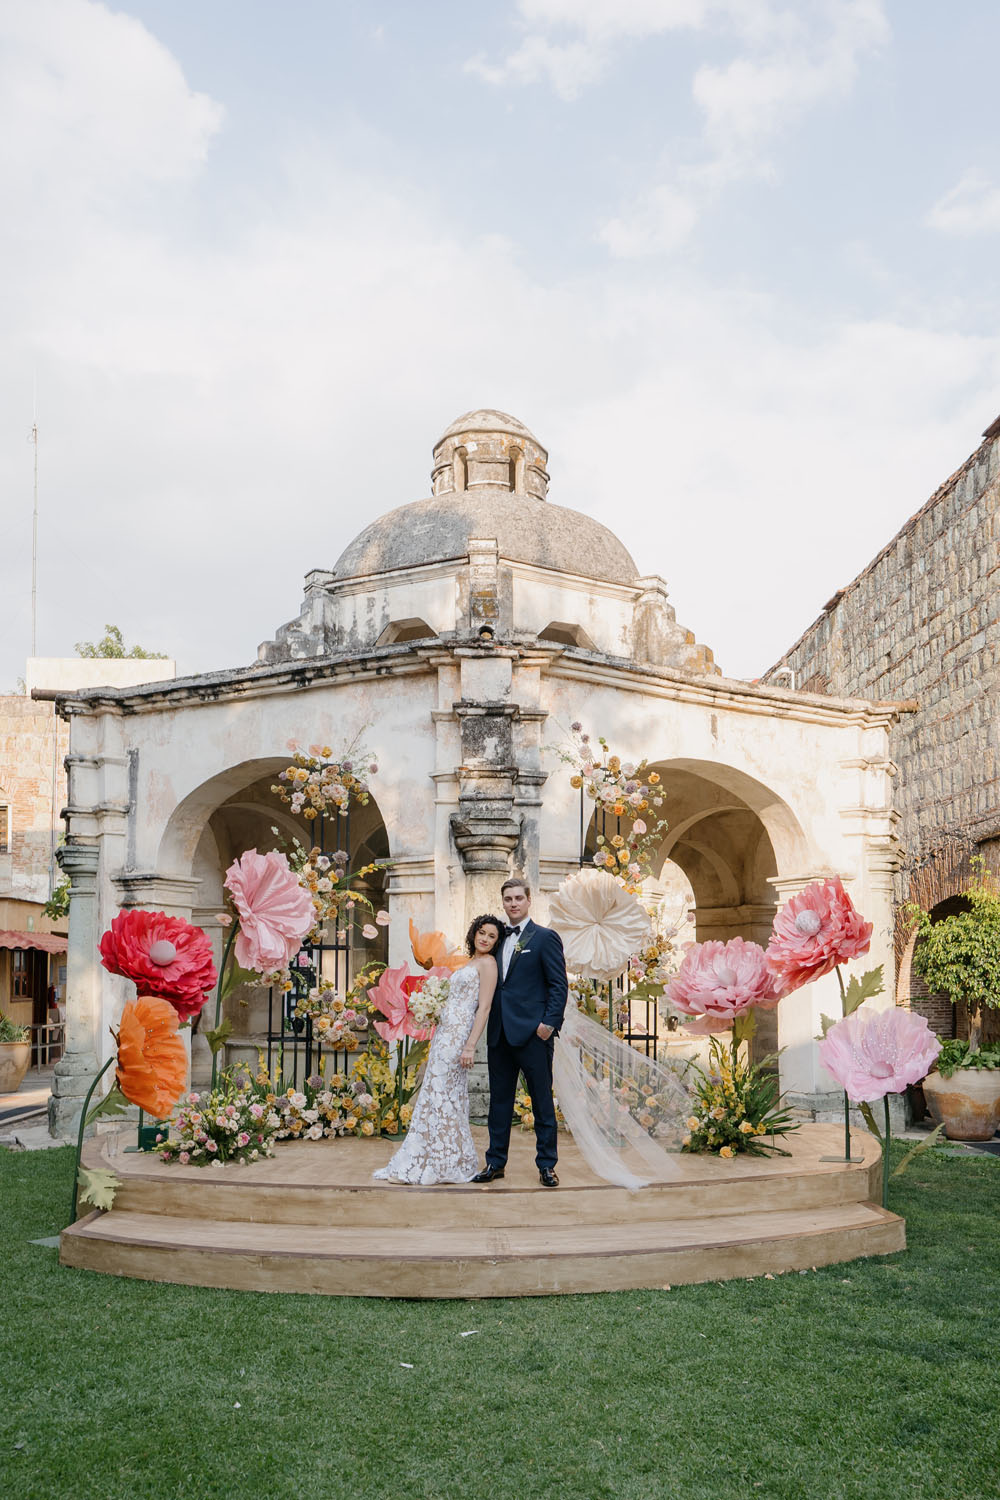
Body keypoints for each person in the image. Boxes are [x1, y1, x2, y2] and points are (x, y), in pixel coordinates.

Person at [373, 915, 501, 1185]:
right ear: (473, 933)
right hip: (444, 1032)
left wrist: (470, 1046)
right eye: (482, 933)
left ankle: (447, 1161)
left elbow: (484, 1008)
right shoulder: (470, 962)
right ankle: (430, 1156)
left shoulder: (489, 964)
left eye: (492, 936)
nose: (485, 939)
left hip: (459, 1037)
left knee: (446, 1094)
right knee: (434, 1093)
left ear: (496, 942)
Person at [473, 877, 568, 1188]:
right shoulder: (496, 939)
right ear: (503, 903)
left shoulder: (545, 938)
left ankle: (547, 1165)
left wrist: (548, 1025)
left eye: (518, 898)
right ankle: (495, 1163)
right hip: (499, 1034)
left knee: (541, 1100)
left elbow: (558, 985)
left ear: (529, 901)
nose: (512, 903)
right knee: (499, 1102)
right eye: (508, 899)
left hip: (533, 1035)